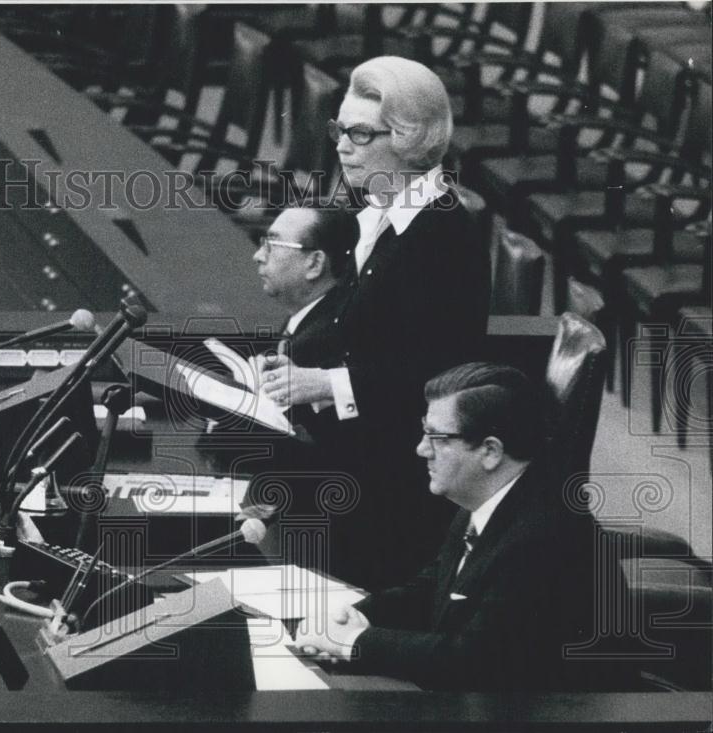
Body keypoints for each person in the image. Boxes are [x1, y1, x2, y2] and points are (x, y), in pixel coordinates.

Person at [261, 56, 491, 589]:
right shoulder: (383, 217)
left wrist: (326, 383)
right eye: (340, 130)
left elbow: (440, 373)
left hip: (392, 487)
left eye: (360, 134)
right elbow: (363, 330)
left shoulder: (441, 238)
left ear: (409, 139)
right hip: (362, 456)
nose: (342, 145)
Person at [293, 363, 634, 692]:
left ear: (489, 451)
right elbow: (433, 588)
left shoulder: (542, 537)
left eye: (437, 438)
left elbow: (474, 661)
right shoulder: (487, 497)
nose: (421, 449)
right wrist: (351, 615)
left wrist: (354, 641)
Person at [252, 206, 356, 442]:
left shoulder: (322, 342)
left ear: (315, 263)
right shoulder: (305, 320)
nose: (258, 255)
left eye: (273, 245)